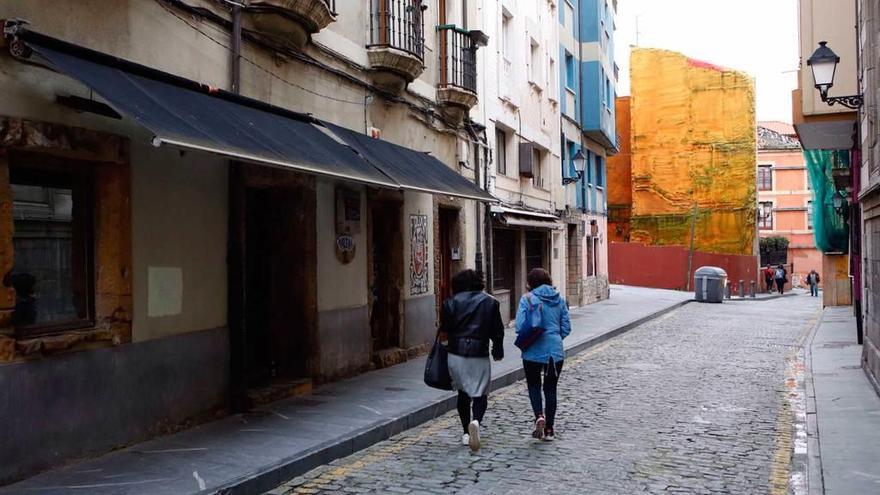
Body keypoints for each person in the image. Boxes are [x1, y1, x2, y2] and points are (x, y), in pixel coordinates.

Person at [440, 269, 504, 451]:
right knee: (480, 393)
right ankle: (476, 421)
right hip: (479, 353)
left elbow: (445, 327)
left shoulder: (450, 303)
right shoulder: (490, 303)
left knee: (462, 392)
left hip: (456, 353)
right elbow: (497, 331)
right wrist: (497, 351)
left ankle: (466, 433)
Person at [516, 268, 571, 441]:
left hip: (532, 351)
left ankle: (539, 415)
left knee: (534, 385)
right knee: (550, 389)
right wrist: (554, 338)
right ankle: (549, 430)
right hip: (554, 353)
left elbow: (519, 326)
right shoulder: (560, 300)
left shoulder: (527, 299)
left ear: (530, 283)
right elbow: (566, 327)